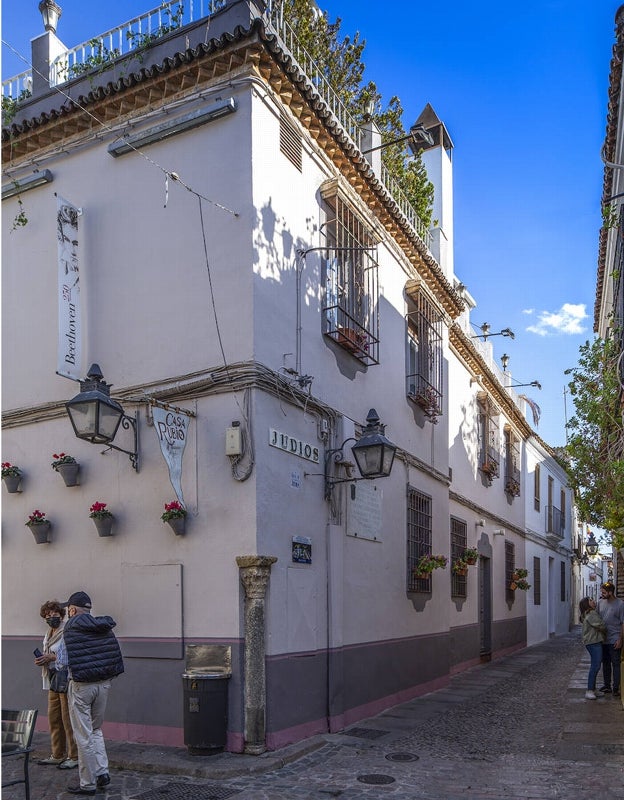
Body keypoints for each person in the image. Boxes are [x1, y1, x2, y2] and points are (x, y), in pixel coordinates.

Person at [55, 590, 124, 796]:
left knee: (83, 735)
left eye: (68, 608)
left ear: (73, 609)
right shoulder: (102, 626)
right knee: (96, 730)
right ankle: (102, 772)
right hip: (103, 684)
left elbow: (61, 662)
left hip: (81, 686)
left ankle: (87, 783)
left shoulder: (71, 628)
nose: (67, 612)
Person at [34, 600, 78, 769]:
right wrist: (42, 660)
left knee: (68, 719)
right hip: (52, 677)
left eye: (54, 614)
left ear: (61, 614)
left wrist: (51, 657)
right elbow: (48, 653)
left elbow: (70, 656)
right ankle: (57, 754)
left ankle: (74, 756)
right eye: (47, 615)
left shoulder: (67, 630)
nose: (51, 617)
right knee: (54, 718)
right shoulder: (48, 632)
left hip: (65, 677)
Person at [597, 581, 624, 697]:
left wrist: (620, 639)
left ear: (610, 592)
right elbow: (597, 619)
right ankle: (607, 685)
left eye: (604, 592)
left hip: (614, 639)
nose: (602, 594)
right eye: (601, 592)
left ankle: (616, 687)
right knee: (606, 663)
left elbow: (623, 623)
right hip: (603, 639)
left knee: (616, 663)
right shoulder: (600, 603)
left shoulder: (620, 604)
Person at [579, 596, 606, 699]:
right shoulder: (591, 613)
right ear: (587, 604)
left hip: (591, 642)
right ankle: (590, 690)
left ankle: (593, 689)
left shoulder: (586, 614)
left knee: (596, 665)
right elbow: (601, 625)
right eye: (591, 600)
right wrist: (605, 631)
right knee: (595, 666)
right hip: (594, 641)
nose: (594, 601)